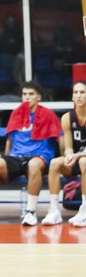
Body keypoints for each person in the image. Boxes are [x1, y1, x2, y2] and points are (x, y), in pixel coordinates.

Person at [0, 81, 61, 226]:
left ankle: (30, 212)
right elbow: (10, 140)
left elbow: (58, 139)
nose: (27, 97)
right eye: (24, 94)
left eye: (31, 94)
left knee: (33, 165)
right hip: (16, 156)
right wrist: (5, 159)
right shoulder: (16, 114)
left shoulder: (48, 115)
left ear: (38, 97)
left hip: (39, 156)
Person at [47, 81, 86, 226]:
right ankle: (54, 211)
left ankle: (84, 210)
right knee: (55, 163)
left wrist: (77, 156)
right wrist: (69, 155)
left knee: (84, 161)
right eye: (76, 92)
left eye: (82, 92)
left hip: (83, 160)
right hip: (76, 159)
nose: (79, 95)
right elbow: (68, 147)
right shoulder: (67, 118)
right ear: (72, 97)